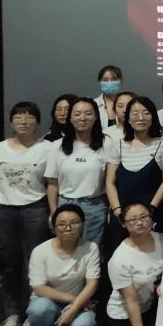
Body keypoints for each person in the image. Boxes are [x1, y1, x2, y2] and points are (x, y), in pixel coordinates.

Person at [0, 101, 52, 326]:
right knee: (7, 264)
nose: (23, 121)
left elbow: (51, 183)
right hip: (5, 211)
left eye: (29, 117)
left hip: (35, 210)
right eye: (18, 116)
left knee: (33, 265)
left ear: (37, 121)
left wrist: (52, 212)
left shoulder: (47, 148)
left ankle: (33, 314)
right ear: (11, 121)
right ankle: (13, 315)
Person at [26, 203, 101, 326]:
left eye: (74, 222)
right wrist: (73, 299)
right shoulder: (40, 251)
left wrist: (73, 308)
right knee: (39, 309)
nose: (68, 228)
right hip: (49, 300)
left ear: (82, 225)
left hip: (77, 304)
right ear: (53, 227)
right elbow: (39, 288)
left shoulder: (90, 248)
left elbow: (92, 283)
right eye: (62, 224)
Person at [106, 96, 163, 238]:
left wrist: (151, 210)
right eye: (135, 113)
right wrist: (118, 211)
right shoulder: (117, 145)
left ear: (153, 117)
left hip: (154, 212)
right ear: (128, 118)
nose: (141, 118)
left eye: (146, 113)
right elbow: (110, 182)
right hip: (124, 215)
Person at [106, 203, 163, 326]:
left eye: (143, 217)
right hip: (125, 313)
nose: (140, 222)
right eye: (133, 220)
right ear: (124, 224)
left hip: (151, 305)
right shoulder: (119, 259)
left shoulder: (162, 239)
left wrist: (162, 284)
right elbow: (131, 301)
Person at [47, 97, 110, 245]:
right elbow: (52, 184)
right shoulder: (56, 146)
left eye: (88, 113)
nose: (82, 118)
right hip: (65, 205)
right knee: (66, 247)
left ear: (96, 117)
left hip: (94, 206)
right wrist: (54, 212)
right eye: (77, 114)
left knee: (92, 249)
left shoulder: (107, 143)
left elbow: (110, 181)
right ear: (70, 118)